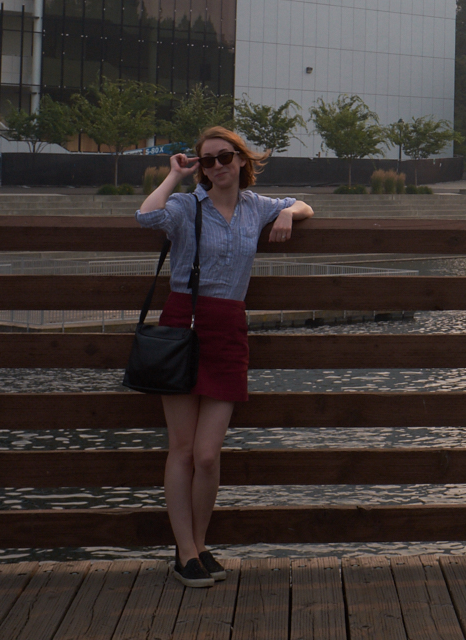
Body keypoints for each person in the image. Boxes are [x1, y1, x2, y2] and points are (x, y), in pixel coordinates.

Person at [137, 124, 314, 588]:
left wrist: (288, 213)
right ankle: (186, 552)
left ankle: (198, 546)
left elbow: (305, 204)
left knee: (208, 455)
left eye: (225, 157)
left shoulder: (257, 206)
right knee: (182, 450)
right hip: (184, 324)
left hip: (229, 328)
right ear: (200, 166)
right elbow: (146, 217)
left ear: (241, 160)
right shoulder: (187, 205)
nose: (218, 166)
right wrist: (174, 175)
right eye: (208, 160)